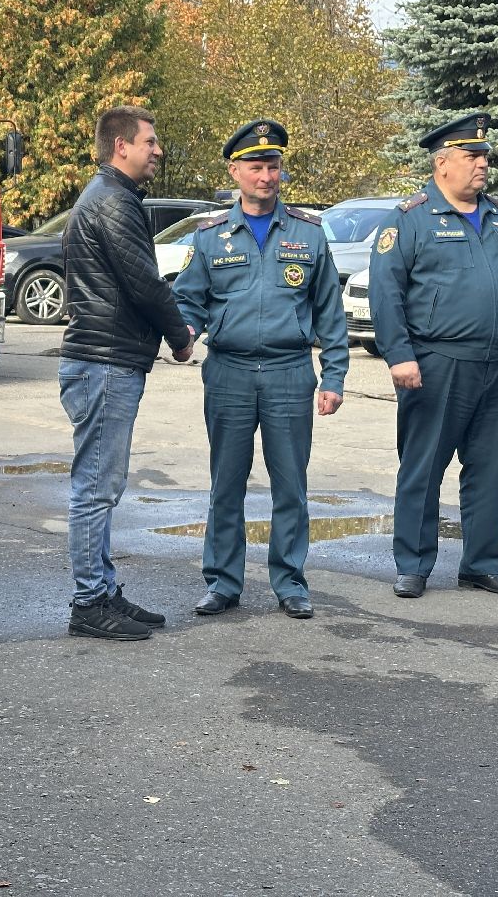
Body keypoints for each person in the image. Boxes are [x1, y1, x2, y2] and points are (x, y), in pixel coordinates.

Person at [367, 113, 498, 600]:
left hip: (497, 363)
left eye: (485, 156)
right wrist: (399, 356)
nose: (482, 164)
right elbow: (386, 293)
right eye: (472, 156)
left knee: (490, 468)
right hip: (435, 362)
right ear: (442, 163)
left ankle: (480, 563)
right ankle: (413, 563)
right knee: (423, 467)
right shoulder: (410, 218)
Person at [173, 120, 348, 620]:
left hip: (290, 372)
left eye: (273, 166)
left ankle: (290, 582)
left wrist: (333, 376)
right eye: (255, 166)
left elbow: (330, 313)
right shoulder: (210, 237)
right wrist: (184, 333)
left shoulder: (309, 235)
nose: (266, 176)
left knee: (290, 483)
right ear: (235, 171)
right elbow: (190, 300)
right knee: (225, 482)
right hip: (227, 371)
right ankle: (223, 581)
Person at [58, 106, 195, 641]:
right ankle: (89, 602)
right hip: (104, 361)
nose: (158, 150)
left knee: (102, 483)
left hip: (105, 359)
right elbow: (145, 283)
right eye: (150, 141)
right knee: (96, 485)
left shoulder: (111, 197)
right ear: (121, 146)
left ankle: (102, 588)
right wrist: (180, 336)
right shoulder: (114, 202)